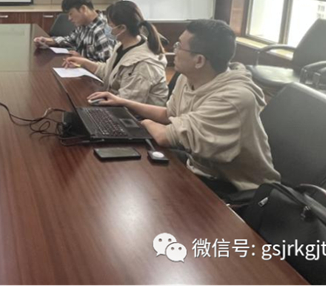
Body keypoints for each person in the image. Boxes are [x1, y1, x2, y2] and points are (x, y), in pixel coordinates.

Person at [89, 19, 280, 194]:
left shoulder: (233, 98)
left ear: (199, 60)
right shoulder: (188, 78)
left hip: (235, 188)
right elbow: (168, 114)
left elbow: (165, 136)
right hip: (200, 166)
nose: (175, 50)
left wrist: (143, 122)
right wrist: (123, 102)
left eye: (179, 46)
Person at [64, 1, 168, 106]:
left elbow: (129, 103)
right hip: (121, 104)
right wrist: (84, 62)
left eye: (109, 24)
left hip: (135, 114)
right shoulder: (123, 44)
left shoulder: (143, 64)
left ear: (122, 28)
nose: (106, 27)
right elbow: (107, 71)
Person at [33, 0, 114, 62]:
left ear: (83, 9)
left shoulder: (102, 31)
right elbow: (71, 40)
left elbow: (108, 67)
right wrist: (49, 41)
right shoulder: (84, 25)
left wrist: (82, 60)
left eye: (71, 14)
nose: (69, 18)